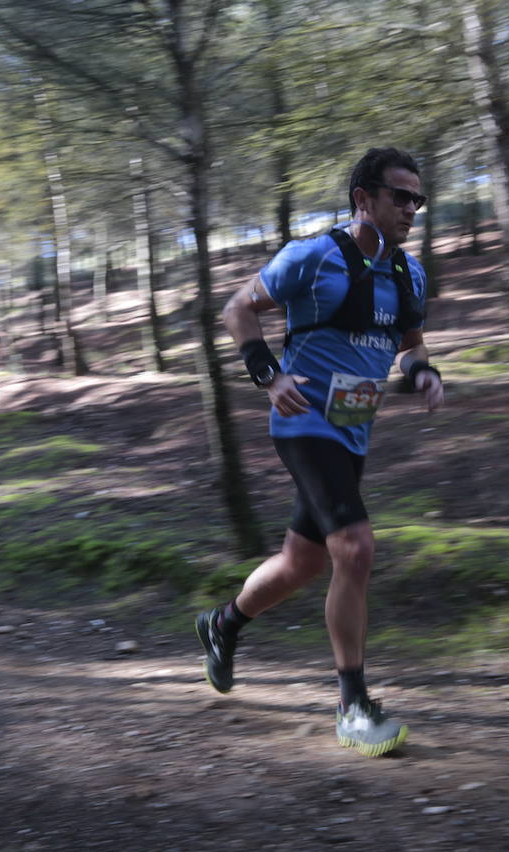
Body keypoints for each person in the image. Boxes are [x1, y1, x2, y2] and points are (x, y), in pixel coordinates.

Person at [196, 147, 445, 757]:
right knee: (355, 548)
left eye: (418, 198)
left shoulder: (408, 274)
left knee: (302, 563)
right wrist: (268, 376)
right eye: (400, 196)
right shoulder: (314, 257)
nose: (411, 208)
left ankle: (223, 624)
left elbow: (410, 345)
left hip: (353, 429)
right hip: (305, 423)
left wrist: (423, 374)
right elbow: (238, 309)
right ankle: (353, 704)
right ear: (364, 199)